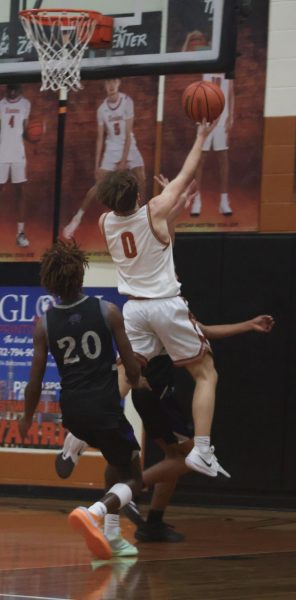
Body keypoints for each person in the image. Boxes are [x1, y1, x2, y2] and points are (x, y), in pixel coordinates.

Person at [55, 314, 274, 542]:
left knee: (174, 456)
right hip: (156, 396)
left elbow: (203, 330)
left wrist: (248, 324)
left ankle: (153, 522)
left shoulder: (159, 309)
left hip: (153, 394)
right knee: (189, 458)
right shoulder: (159, 310)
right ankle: (128, 489)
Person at [98, 119, 230, 479]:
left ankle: (79, 440)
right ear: (139, 196)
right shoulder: (154, 210)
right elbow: (186, 175)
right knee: (206, 374)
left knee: (127, 373)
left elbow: (152, 227)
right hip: (165, 304)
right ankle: (202, 450)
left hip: (134, 309)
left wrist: (171, 205)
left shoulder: (105, 223)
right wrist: (201, 135)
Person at [18, 239, 143, 560]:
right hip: (103, 405)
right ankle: (95, 513)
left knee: (115, 461)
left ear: (48, 283)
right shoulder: (107, 311)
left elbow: (34, 381)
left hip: (71, 410)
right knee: (135, 476)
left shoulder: (44, 325)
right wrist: (136, 377)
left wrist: (27, 417)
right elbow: (130, 367)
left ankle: (112, 536)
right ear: (82, 274)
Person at [63, 78, 145, 239]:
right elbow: (100, 138)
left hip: (129, 145)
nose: (111, 85)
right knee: (98, 186)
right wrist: (96, 165)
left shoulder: (127, 102)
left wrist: (123, 161)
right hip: (112, 148)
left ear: (119, 83)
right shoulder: (101, 109)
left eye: (114, 82)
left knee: (142, 177)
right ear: (104, 86)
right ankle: (76, 219)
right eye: (108, 82)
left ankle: (139, 219)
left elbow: (128, 135)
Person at [189, 73, 235, 217]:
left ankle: (224, 200)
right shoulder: (206, 70)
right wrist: (198, 116)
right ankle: (197, 200)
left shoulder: (227, 70)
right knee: (200, 159)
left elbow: (231, 93)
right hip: (205, 118)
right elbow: (198, 95)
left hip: (223, 119)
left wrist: (231, 116)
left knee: (223, 157)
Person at [0, 84, 31, 246]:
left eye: (15, 88)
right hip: (2, 153)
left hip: (18, 153)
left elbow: (26, 131)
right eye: (9, 88)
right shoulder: (0, 105)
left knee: (21, 192)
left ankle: (20, 233)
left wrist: (34, 135)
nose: (12, 92)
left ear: (20, 89)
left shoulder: (26, 104)